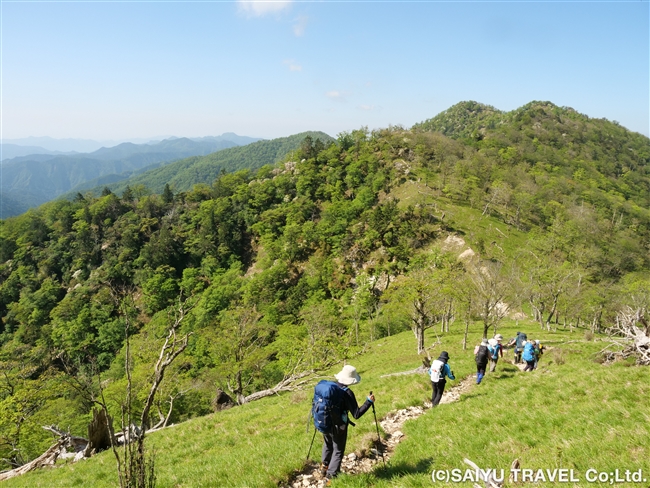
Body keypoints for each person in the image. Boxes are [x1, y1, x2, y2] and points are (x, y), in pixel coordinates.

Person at [320, 365, 374, 481]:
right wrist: (369, 402)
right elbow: (356, 414)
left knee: (328, 444)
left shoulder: (330, 386)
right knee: (338, 450)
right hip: (339, 426)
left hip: (324, 422)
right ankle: (331, 477)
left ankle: (324, 467)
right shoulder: (347, 392)